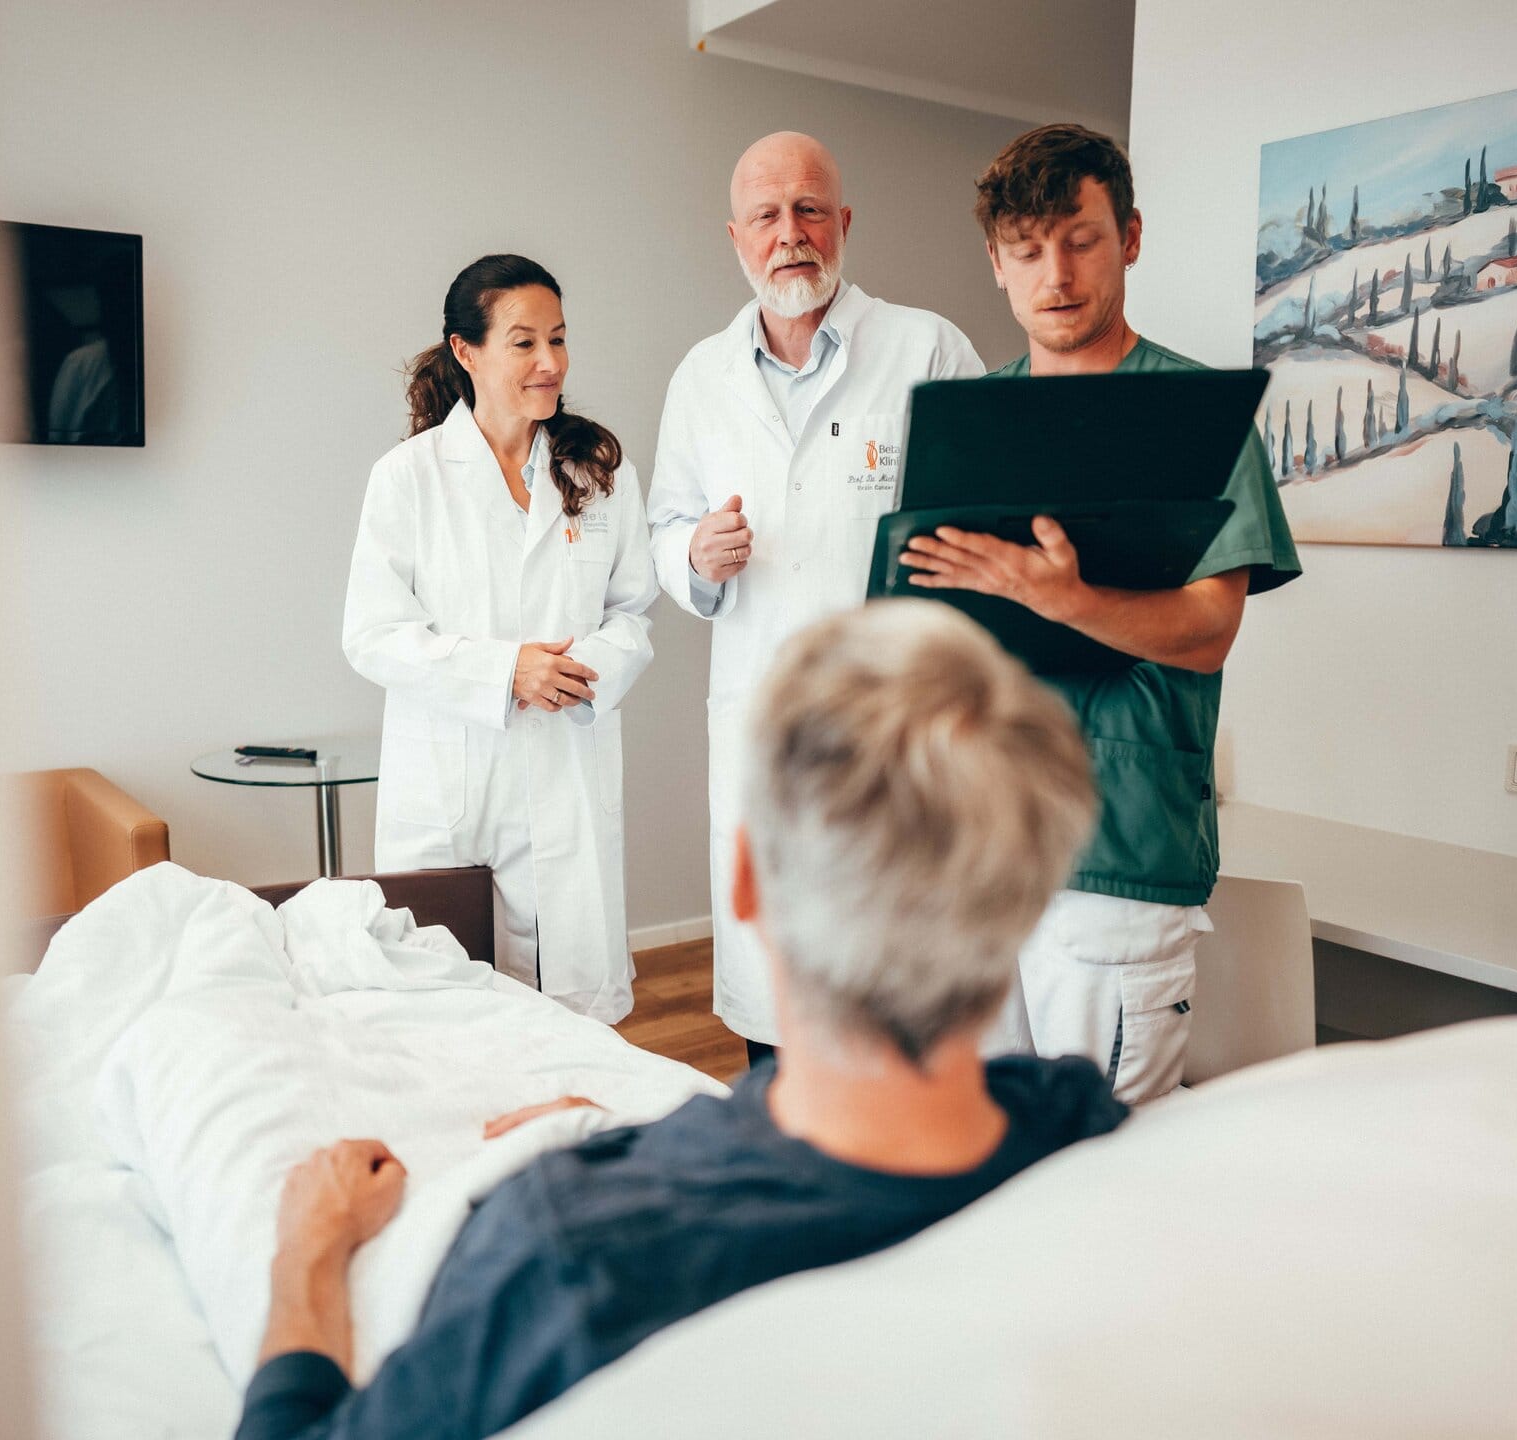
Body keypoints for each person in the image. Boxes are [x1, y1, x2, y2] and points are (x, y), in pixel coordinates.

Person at [236, 600, 1123, 1440]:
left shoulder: (573, 1250)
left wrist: (311, 1245)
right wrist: (646, 1136)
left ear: (746, 883)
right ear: (1030, 893)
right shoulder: (1081, 1128)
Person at [901, 124, 1302, 1102]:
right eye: (1029, 250)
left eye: (1080, 239)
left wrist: (1065, 599)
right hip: (976, 857)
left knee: (1103, 1165)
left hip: (1117, 859)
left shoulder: (1197, 421)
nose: (1058, 274)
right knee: (977, 1150)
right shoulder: (968, 424)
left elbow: (1207, 630)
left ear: (1128, 236)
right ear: (997, 264)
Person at [648, 131, 985, 1065]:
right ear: (736, 237)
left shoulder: (926, 348)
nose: (789, 233)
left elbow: (983, 518)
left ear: (843, 223)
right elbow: (662, 532)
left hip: (894, 727)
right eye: (766, 216)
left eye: (809, 211)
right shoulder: (700, 378)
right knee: (779, 1001)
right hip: (763, 721)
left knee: (897, 997)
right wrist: (695, 557)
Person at [342, 254, 656, 1022]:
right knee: (458, 1025)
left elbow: (634, 612)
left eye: (558, 338)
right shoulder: (409, 478)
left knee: (577, 1030)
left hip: (567, 770)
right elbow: (372, 634)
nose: (550, 363)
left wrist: (582, 669)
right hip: (457, 792)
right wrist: (503, 670)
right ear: (466, 350)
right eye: (523, 342)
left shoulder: (599, 472)